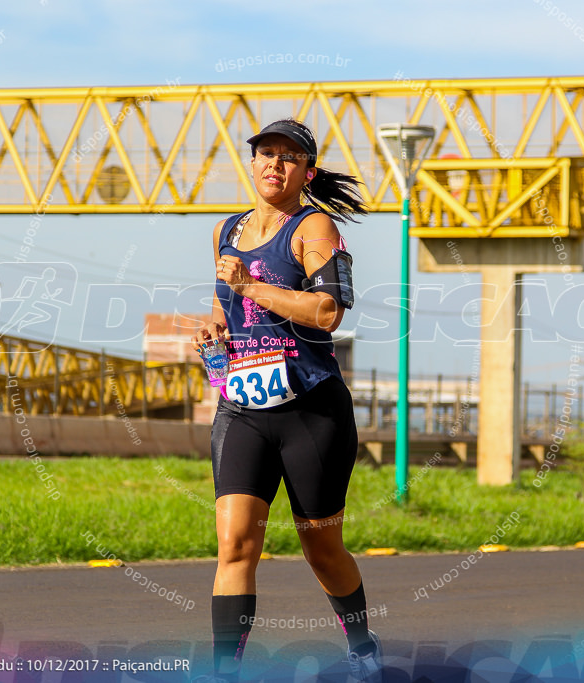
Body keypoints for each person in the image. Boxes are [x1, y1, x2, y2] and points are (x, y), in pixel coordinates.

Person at [190, 119, 381, 682]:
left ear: (307, 171)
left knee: (321, 549)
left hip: (310, 411)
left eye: (288, 158)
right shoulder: (227, 229)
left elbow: (327, 312)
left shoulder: (313, 226)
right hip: (242, 406)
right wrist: (216, 327)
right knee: (235, 544)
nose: (274, 165)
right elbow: (235, 309)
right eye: (265, 154)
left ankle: (363, 645)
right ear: (251, 165)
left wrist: (250, 285)